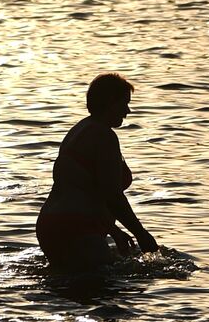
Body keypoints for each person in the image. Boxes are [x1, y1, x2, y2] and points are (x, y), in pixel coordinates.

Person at [35, 73, 158, 271]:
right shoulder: (104, 136)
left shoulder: (80, 129)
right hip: (77, 227)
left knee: (69, 290)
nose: (128, 111)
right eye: (124, 103)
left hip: (51, 224)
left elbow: (86, 190)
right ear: (110, 101)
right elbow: (111, 195)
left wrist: (114, 230)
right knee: (103, 294)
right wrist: (141, 234)